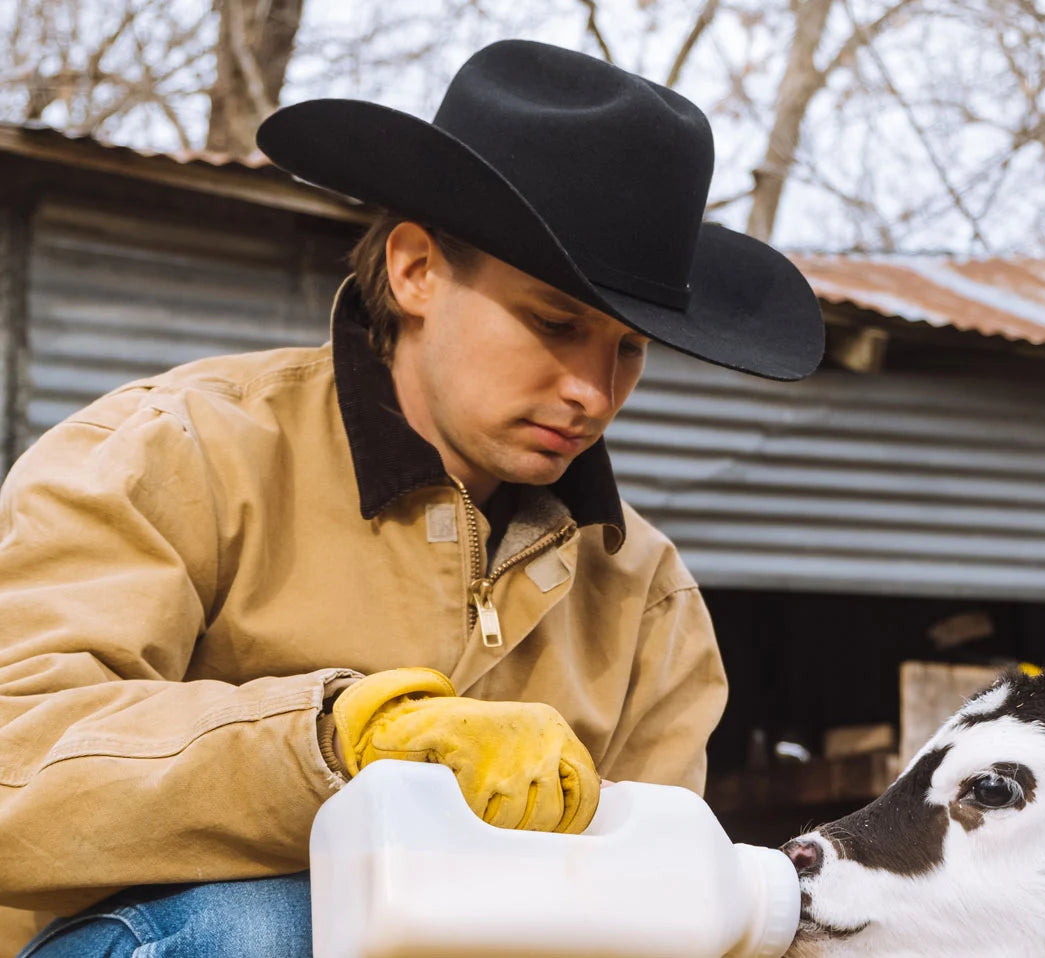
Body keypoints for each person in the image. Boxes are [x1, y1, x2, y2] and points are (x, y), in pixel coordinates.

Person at [0, 39, 823, 957]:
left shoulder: (648, 598)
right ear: (416, 269)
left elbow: (649, 914)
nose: (595, 390)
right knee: (272, 926)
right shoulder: (173, 451)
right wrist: (339, 745)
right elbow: (13, 760)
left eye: (629, 349)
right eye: (557, 324)